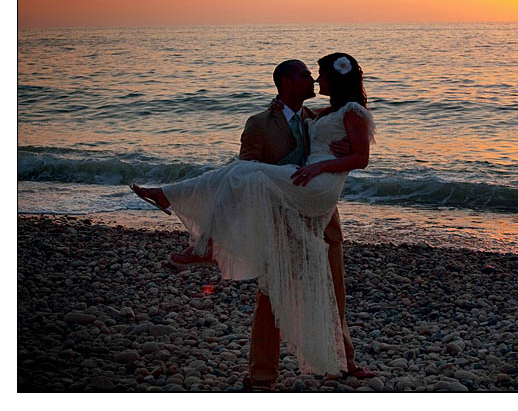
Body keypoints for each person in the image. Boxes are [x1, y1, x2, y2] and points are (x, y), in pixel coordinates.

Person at [130, 53, 375, 386]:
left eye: (316, 75)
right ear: (287, 82)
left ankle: (345, 362)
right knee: (270, 299)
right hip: (276, 224)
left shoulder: (316, 115)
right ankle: (262, 375)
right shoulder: (260, 124)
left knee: (333, 292)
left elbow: (351, 144)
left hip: (321, 220)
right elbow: (239, 184)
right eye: (306, 75)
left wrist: (342, 153)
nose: (314, 81)